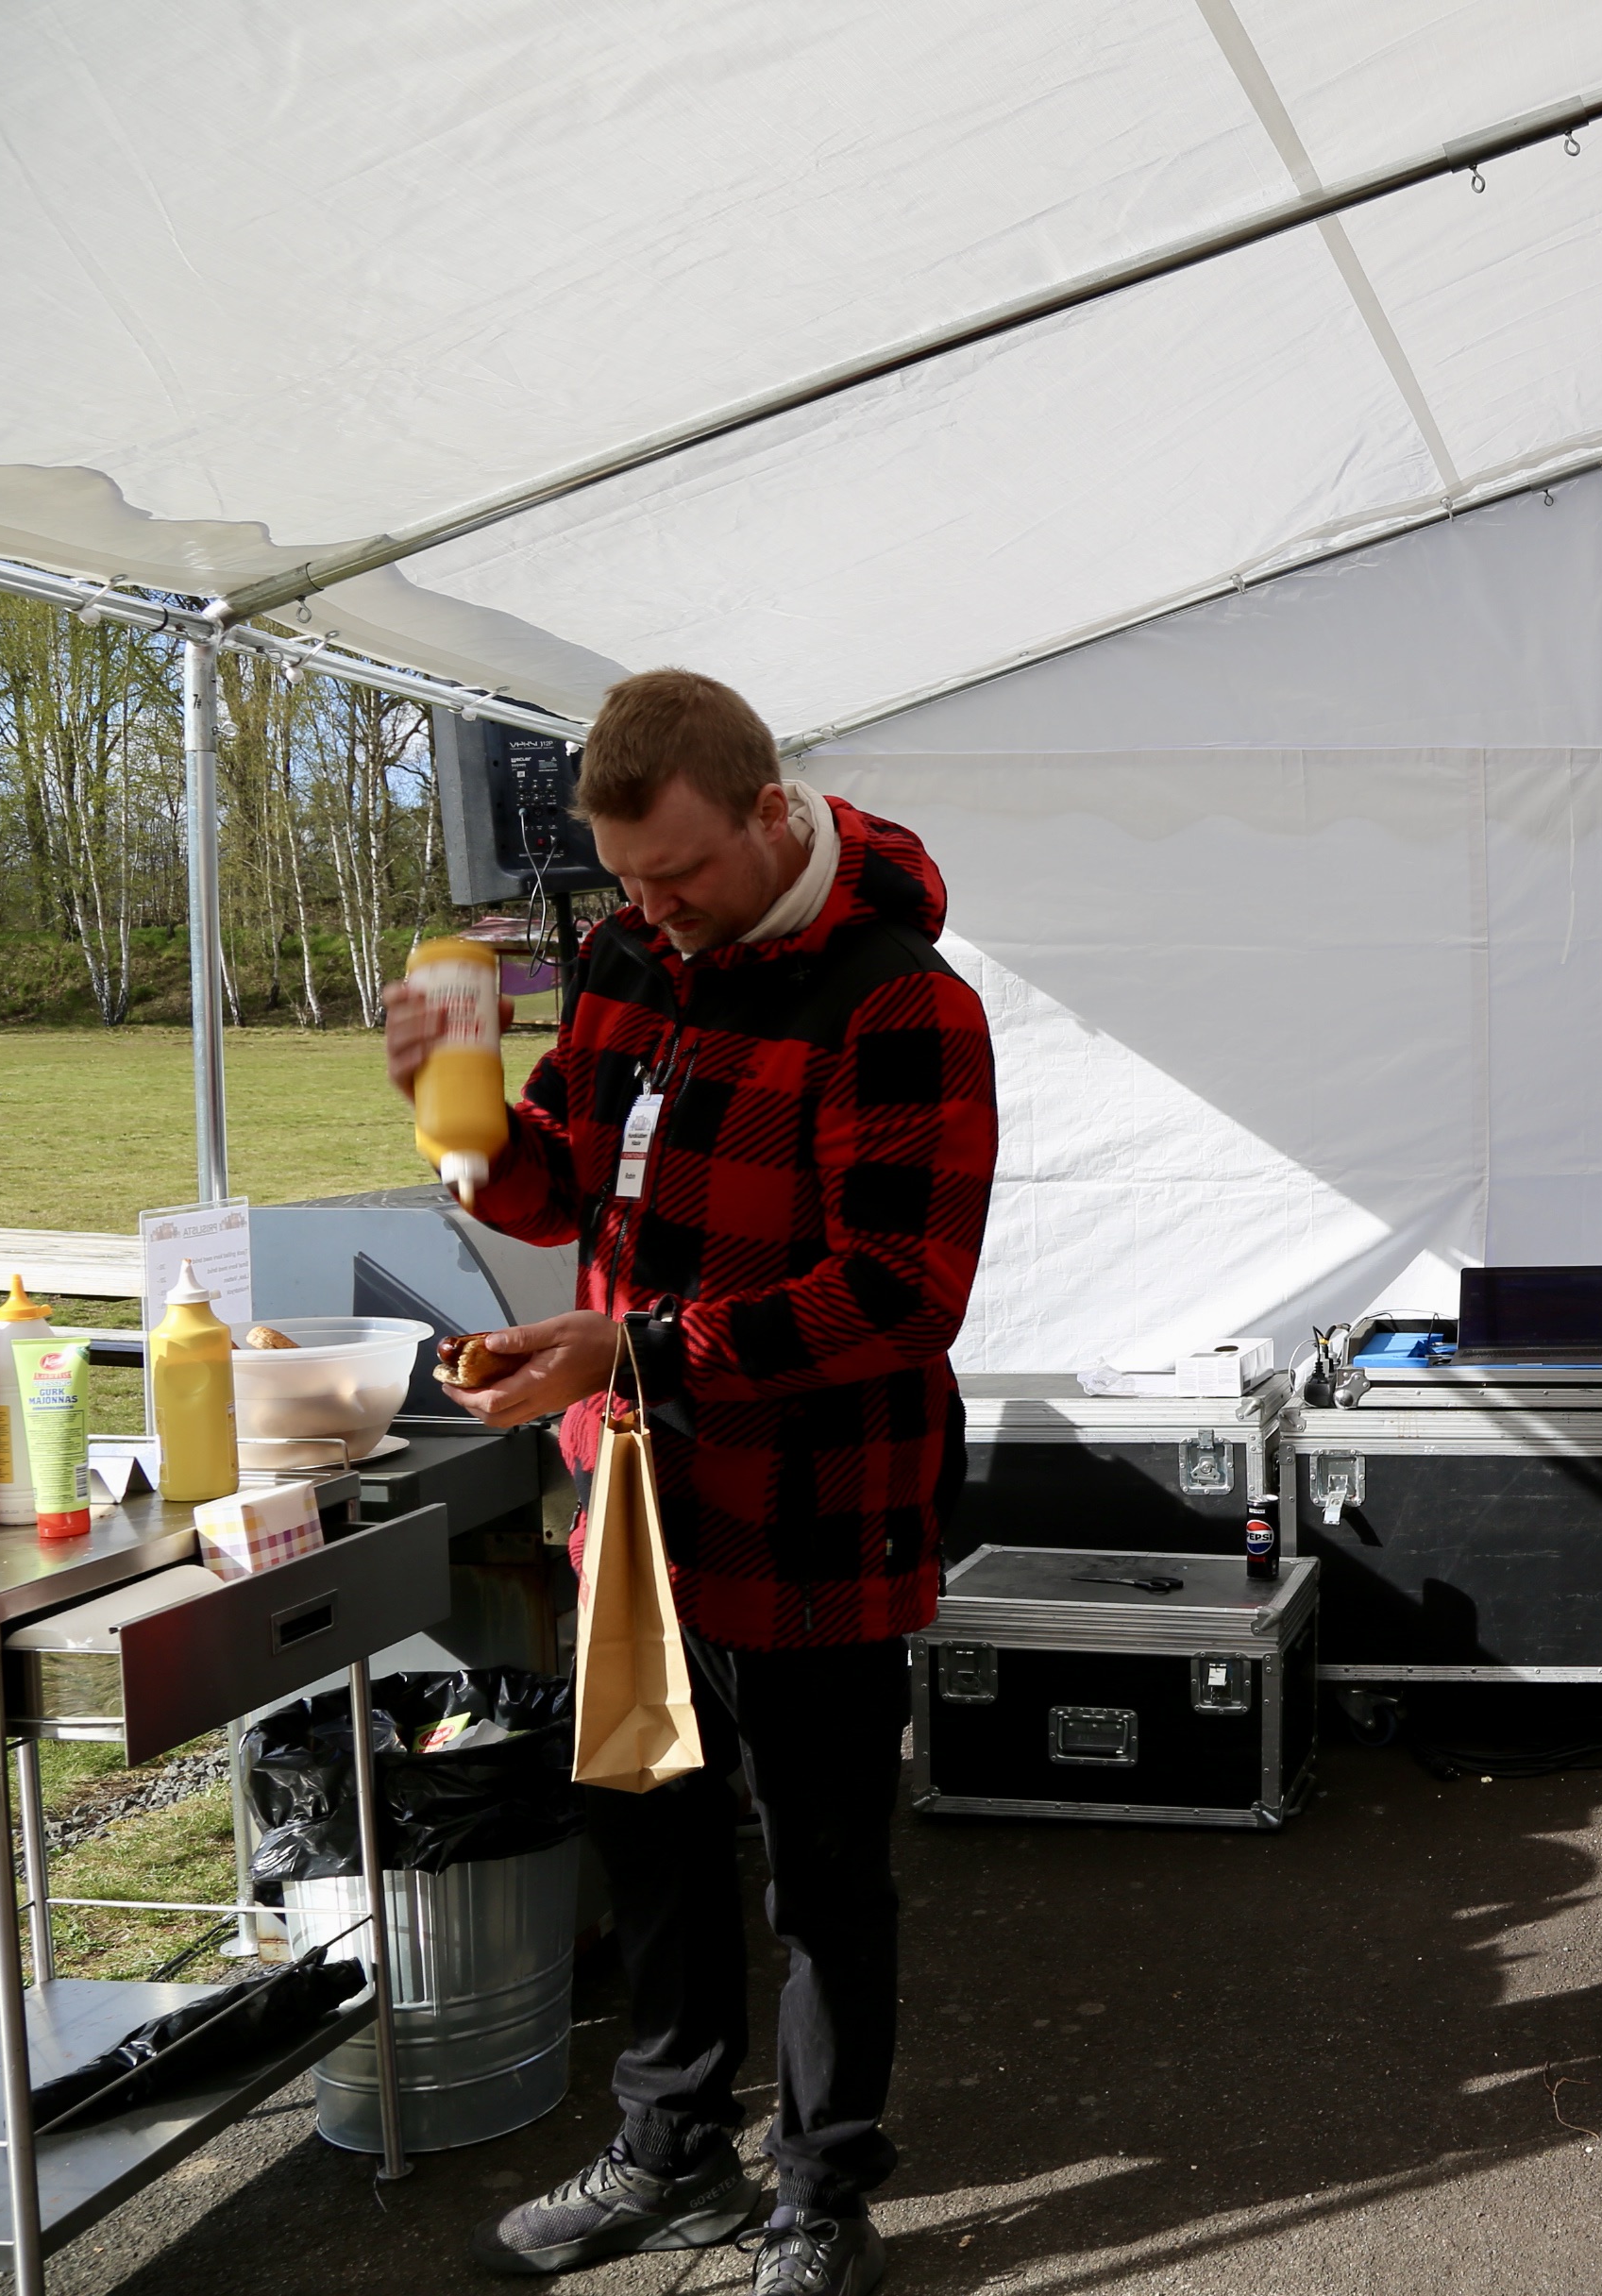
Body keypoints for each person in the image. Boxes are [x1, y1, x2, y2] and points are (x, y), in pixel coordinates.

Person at [396, 669, 995, 2296]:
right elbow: (563, 1178)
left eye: (679, 873)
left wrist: (633, 1348)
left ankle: (821, 2191)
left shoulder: (899, 1002)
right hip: (640, 1497)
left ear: (771, 811)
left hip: (817, 1502)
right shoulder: (627, 958)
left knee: (820, 1870)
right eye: (627, 882)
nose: (653, 910)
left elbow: (898, 1294)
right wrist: (465, 1126)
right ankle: (673, 2150)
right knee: (647, 1823)